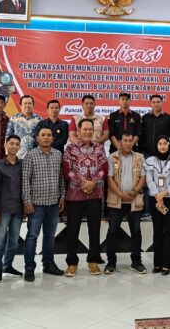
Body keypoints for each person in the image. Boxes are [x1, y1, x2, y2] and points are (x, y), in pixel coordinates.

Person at [62, 119, 108, 277]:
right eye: (85, 129)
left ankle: (93, 261)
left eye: (90, 129)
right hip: (75, 195)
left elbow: (104, 167)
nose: (88, 132)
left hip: (95, 194)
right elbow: (66, 169)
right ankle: (72, 263)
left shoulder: (99, 148)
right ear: (79, 131)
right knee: (72, 230)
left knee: (94, 229)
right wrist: (82, 183)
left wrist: (93, 182)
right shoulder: (70, 148)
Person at [22, 127, 65, 282]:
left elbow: (61, 177)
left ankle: (48, 264)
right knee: (32, 236)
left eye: (49, 135)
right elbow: (25, 180)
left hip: (53, 203)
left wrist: (62, 195)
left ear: (52, 138)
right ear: (37, 138)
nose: (46, 137)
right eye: (43, 135)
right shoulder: (30, 156)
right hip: (36, 204)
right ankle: (29, 268)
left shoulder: (58, 154)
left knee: (50, 237)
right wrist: (27, 201)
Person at [104, 132, 147, 275]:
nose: (128, 143)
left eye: (130, 140)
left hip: (134, 200)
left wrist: (134, 191)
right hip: (116, 200)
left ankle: (136, 262)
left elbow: (143, 177)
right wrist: (121, 194)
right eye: (125, 140)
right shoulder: (112, 157)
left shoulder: (140, 157)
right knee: (112, 231)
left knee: (136, 231)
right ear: (120, 141)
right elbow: (109, 178)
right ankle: (111, 262)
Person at [144, 136, 170, 275]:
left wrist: (164, 194)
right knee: (157, 231)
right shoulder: (150, 161)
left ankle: (166, 265)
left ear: (169, 145)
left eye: (165, 143)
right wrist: (157, 195)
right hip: (154, 199)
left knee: (168, 231)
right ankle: (157, 264)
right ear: (156, 145)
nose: (162, 146)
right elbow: (149, 180)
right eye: (159, 143)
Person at [0, 135, 24, 282]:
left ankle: (8, 265)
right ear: (5, 144)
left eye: (17, 144)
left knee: (14, 241)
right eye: (11, 143)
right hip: (3, 209)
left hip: (18, 209)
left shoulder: (22, 164)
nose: (14, 146)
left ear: (19, 147)